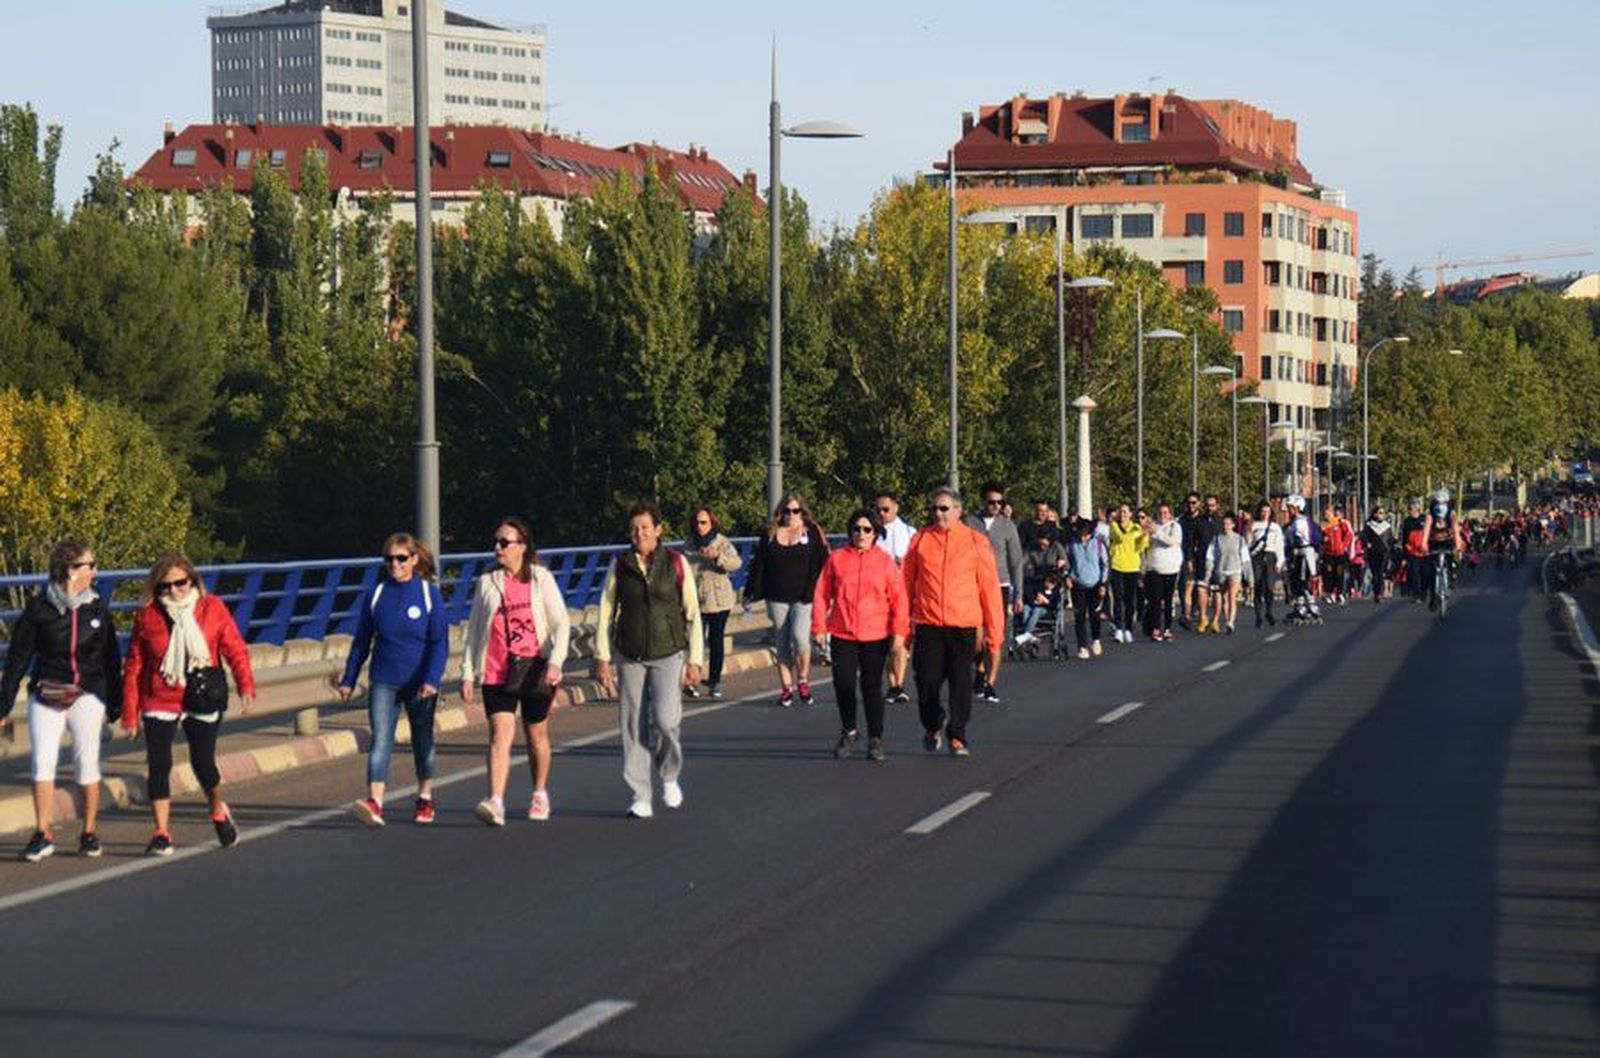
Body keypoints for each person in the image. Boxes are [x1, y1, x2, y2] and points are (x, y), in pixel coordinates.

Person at [122, 552, 256, 855]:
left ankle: (217, 809)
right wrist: (130, 713)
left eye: (180, 584)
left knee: (204, 764)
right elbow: (134, 667)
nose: (174, 592)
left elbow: (235, 648)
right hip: (160, 696)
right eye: (165, 587)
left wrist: (245, 684)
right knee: (159, 764)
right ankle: (161, 832)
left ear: (192, 581)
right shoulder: (147, 616)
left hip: (202, 693)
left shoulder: (212, 608)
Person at [2, 538, 121, 862]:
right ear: (70, 571)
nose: (95, 571)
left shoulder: (97, 607)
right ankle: (43, 832)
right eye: (89, 565)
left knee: (86, 761)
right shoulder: (39, 610)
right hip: (48, 691)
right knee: (42, 762)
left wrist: (116, 702)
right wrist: (5, 703)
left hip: (87, 693)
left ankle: (89, 831)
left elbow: (110, 657)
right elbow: (17, 658)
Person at [595, 503, 704, 818]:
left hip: (668, 651)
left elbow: (693, 614)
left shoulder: (675, 563)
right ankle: (640, 794)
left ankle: (669, 774)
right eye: (634, 529)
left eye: (645, 527)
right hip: (630, 654)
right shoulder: (620, 565)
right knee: (632, 724)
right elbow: (605, 612)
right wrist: (602, 656)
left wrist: (695, 659)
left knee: (666, 720)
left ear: (658, 530)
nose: (639, 533)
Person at [461, 517, 571, 825]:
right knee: (499, 735)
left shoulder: (540, 579)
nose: (497, 547)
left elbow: (561, 622)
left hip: (536, 668)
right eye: (495, 542)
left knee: (536, 734)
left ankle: (539, 793)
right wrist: (468, 672)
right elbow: (473, 631)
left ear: (522, 546)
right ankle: (496, 800)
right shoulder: (487, 583)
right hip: (497, 670)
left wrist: (556, 661)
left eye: (504, 542)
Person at [340, 533, 449, 827]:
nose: (394, 564)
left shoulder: (428, 594)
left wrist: (432, 679)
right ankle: (375, 801)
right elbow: (362, 641)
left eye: (401, 558)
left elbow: (439, 642)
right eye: (389, 558)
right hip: (384, 680)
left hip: (419, 682)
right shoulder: (376, 595)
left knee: (422, 740)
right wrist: (348, 678)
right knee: (381, 740)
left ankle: (425, 798)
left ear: (413, 559)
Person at [902, 487, 1003, 758]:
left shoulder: (975, 541)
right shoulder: (920, 540)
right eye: (934, 508)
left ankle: (957, 734)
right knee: (927, 681)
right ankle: (933, 724)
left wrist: (994, 635)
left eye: (944, 508)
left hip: (964, 625)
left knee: (961, 682)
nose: (938, 513)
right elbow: (905, 585)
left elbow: (990, 590)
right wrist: (902, 628)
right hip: (928, 623)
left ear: (958, 511)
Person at [811, 509, 908, 761]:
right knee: (843, 684)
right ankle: (849, 730)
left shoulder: (885, 561)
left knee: (871, 686)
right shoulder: (837, 559)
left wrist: (899, 632)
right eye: (856, 529)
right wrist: (818, 626)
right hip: (843, 631)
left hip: (875, 633)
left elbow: (899, 599)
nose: (861, 534)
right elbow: (822, 593)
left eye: (867, 530)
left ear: (875, 533)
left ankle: (875, 738)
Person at [744, 493, 829, 707]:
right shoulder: (770, 534)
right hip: (776, 596)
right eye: (787, 511)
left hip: (804, 596)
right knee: (782, 641)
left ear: (802, 511)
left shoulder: (811, 533)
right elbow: (759, 565)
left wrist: (827, 592)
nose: (791, 515)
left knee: (800, 638)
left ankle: (803, 679)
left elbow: (823, 562)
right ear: (780, 512)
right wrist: (750, 592)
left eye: (796, 510)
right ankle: (786, 688)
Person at [964, 483, 1024, 704]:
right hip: (973, 584)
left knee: (995, 636)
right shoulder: (970, 523)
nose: (996, 506)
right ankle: (979, 668)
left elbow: (1016, 562)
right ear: (983, 501)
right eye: (992, 502)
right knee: (976, 637)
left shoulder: (1008, 527)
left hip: (1000, 585)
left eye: (1000, 502)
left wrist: (1019, 594)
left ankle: (990, 683)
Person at [682, 507, 741, 700]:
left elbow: (736, 563)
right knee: (694, 641)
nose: (700, 527)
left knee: (716, 641)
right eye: (697, 523)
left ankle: (715, 681)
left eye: (704, 522)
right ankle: (691, 681)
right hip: (697, 599)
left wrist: (717, 557)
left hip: (718, 600)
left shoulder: (722, 542)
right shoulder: (689, 544)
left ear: (711, 523)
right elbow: (683, 570)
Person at [874, 492, 917, 703]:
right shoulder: (871, 533)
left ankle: (898, 685)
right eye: (878, 510)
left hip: (902, 596)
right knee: (884, 643)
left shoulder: (910, 533)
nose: (881, 514)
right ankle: (892, 684)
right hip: (877, 597)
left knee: (900, 642)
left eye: (886, 509)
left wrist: (904, 565)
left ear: (896, 508)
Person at [1014, 531, 1067, 649]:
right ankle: (1029, 636)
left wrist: (1061, 564)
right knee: (1026, 609)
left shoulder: (1056, 547)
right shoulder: (1031, 549)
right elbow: (1023, 562)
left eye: (1045, 544)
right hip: (1036, 580)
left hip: (1051, 580)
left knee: (1037, 610)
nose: (1042, 547)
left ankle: (1025, 636)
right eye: (1040, 543)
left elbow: (1065, 564)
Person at [1065, 517, 1108, 659]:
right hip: (1078, 584)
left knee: (1095, 614)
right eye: (1081, 534)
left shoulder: (1098, 543)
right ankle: (1082, 646)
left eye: (1086, 534)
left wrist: (1103, 583)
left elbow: (1105, 564)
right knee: (1080, 617)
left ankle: (1096, 639)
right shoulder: (1072, 544)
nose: (1083, 537)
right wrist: (1067, 576)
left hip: (1095, 584)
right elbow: (1067, 562)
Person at [1107, 504, 1148, 644]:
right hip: (1117, 566)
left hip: (1132, 567)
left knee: (1130, 600)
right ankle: (1118, 629)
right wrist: (1139, 534)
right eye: (1121, 511)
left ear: (1130, 514)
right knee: (1118, 599)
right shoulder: (1113, 525)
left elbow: (1140, 546)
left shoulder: (1136, 527)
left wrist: (1144, 535)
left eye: (1126, 512)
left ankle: (1128, 629)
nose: (1123, 514)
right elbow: (1121, 538)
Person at [1142, 503, 1184, 642]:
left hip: (1170, 569)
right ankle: (1155, 628)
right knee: (1155, 599)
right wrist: (1146, 532)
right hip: (1154, 568)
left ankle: (1167, 628)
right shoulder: (1153, 526)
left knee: (1168, 599)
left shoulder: (1175, 527)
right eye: (1160, 512)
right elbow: (1146, 545)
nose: (1163, 515)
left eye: (1165, 512)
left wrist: (1156, 532)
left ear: (1170, 514)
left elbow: (1172, 541)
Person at [1204, 513, 1251, 634]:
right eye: (1224, 524)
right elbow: (1210, 556)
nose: (1226, 526)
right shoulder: (1217, 539)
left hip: (1235, 570)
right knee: (1224, 598)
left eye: (1228, 524)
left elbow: (1245, 558)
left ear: (1233, 525)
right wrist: (1208, 573)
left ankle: (1231, 622)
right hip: (1221, 571)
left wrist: (1249, 577)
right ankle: (1227, 620)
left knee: (1231, 596)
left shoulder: (1239, 539)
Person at [1421, 488, 1464, 611]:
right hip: (1434, 542)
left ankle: (1451, 576)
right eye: (1438, 503)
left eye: (1444, 503)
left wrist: (1458, 545)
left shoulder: (1451, 513)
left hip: (1448, 541)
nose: (1441, 506)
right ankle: (1433, 598)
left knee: (1451, 559)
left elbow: (1455, 530)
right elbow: (1426, 530)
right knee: (1431, 571)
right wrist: (1423, 545)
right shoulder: (1430, 514)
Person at [1282, 495, 1322, 624]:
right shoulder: (1295, 522)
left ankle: (1310, 608)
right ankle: (1301, 606)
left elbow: (1304, 539)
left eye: (1290, 507)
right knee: (1296, 581)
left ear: (1297, 507)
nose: (1288, 510)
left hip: (1303, 554)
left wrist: (1294, 546)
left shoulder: (1300, 522)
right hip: (1299, 555)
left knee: (1302, 580)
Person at [1248, 502, 1285, 626]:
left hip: (1270, 555)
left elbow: (1279, 545)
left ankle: (1269, 612)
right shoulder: (1254, 525)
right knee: (1257, 585)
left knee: (1269, 586)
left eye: (1267, 511)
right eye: (1263, 511)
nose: (1265, 513)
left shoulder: (1275, 527)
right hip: (1257, 556)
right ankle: (1258, 616)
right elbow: (1248, 543)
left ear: (1271, 513)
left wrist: (1280, 561)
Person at [1320, 508, 1354, 605]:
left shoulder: (1340, 523)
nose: (1326, 516)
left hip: (1340, 554)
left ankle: (1340, 593)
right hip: (1328, 554)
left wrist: (1344, 546)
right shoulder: (1323, 526)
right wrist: (1323, 541)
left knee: (1340, 574)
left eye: (1328, 514)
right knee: (1329, 574)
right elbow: (1320, 538)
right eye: (1325, 514)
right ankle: (1330, 594)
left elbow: (1349, 535)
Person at [1400, 500, 1428, 602]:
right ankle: (1416, 595)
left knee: (1425, 574)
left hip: (1425, 552)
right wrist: (1404, 556)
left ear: (1417, 509)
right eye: (1409, 509)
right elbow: (1404, 539)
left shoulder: (1425, 519)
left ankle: (1424, 592)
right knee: (1414, 574)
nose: (1410, 511)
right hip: (1412, 552)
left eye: (1411, 509)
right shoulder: (1407, 522)